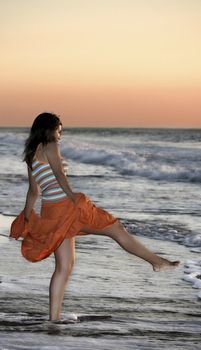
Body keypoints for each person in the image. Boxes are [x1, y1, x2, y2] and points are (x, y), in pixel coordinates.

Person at [10, 112, 180, 323]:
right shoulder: (51, 145)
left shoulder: (31, 155)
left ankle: (54, 318)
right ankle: (157, 262)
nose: (60, 136)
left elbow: (33, 192)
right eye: (59, 131)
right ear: (50, 130)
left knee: (64, 266)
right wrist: (73, 196)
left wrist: (26, 219)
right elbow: (59, 174)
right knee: (116, 229)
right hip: (67, 207)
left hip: (51, 212)